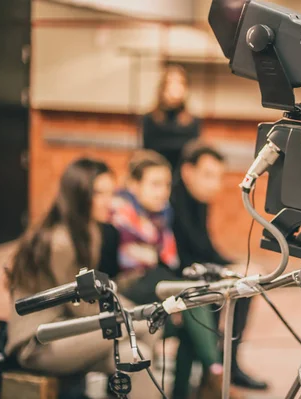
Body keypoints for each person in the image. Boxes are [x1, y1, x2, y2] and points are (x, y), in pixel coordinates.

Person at [4, 158, 160, 399]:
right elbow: (81, 308)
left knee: (135, 356)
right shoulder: (61, 241)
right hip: (38, 343)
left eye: (111, 192)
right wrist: (134, 316)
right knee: (141, 328)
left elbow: (95, 298)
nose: (109, 201)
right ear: (79, 195)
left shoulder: (87, 232)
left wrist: (135, 312)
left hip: (66, 332)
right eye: (99, 193)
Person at [103, 150, 241, 399]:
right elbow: (110, 279)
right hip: (124, 299)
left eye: (166, 184)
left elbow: (170, 264)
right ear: (134, 184)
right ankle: (216, 372)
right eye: (155, 184)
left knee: (192, 319)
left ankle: (182, 393)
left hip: (151, 296)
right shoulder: (115, 222)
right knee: (188, 295)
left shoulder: (161, 218)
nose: (163, 191)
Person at [170, 141, 268, 390]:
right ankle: (216, 372)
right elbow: (185, 256)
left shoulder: (197, 199)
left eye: (218, 177)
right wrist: (229, 269)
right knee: (227, 290)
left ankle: (227, 366)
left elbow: (204, 247)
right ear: (187, 172)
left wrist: (237, 266)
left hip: (193, 270)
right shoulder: (173, 201)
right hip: (176, 276)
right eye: (208, 175)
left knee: (243, 286)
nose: (215, 184)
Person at [143, 65, 201, 170]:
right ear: (162, 88)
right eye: (171, 83)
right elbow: (146, 155)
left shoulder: (193, 122)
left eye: (180, 83)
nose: (175, 88)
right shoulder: (149, 119)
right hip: (157, 176)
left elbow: (192, 159)